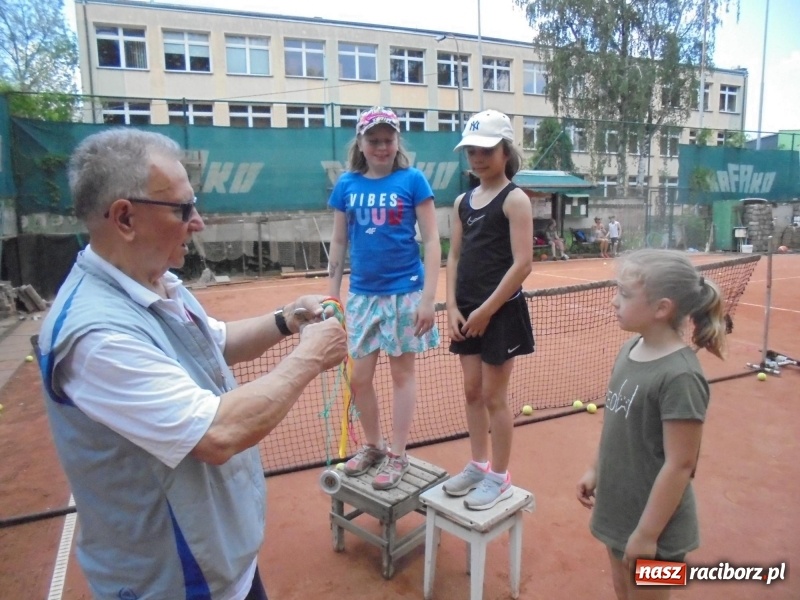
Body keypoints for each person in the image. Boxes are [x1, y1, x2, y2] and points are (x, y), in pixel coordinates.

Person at [36, 128, 348, 600]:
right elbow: (214, 434)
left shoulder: (153, 282)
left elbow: (213, 342)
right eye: (183, 209)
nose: (198, 221)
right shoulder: (96, 336)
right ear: (125, 217)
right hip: (176, 582)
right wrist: (309, 356)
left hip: (220, 564)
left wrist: (288, 319)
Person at [576, 249, 727, 600]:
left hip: (659, 530)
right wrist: (594, 469)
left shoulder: (681, 376)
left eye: (625, 295)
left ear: (662, 308)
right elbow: (616, 424)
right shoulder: (629, 349)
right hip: (619, 512)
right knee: (622, 592)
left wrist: (646, 534)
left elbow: (681, 464)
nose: (615, 302)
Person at [327, 107, 440, 490]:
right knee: (359, 378)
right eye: (373, 140)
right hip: (361, 296)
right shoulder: (346, 185)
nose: (381, 146)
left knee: (402, 374)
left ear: (397, 142)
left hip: (405, 293)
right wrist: (332, 298)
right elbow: (340, 242)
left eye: (388, 139)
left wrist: (429, 298)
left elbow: (433, 240)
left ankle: (397, 453)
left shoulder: (413, 180)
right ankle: (372, 445)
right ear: (360, 142)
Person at [444, 109, 534, 510]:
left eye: (486, 150)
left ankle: (499, 475)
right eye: (471, 152)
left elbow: (522, 264)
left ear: (505, 151)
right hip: (465, 313)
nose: (477, 159)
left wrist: (485, 311)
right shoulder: (462, 202)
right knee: (471, 391)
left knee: (495, 397)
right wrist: (452, 307)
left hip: (499, 315)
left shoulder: (515, 200)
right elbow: (455, 257)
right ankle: (478, 464)